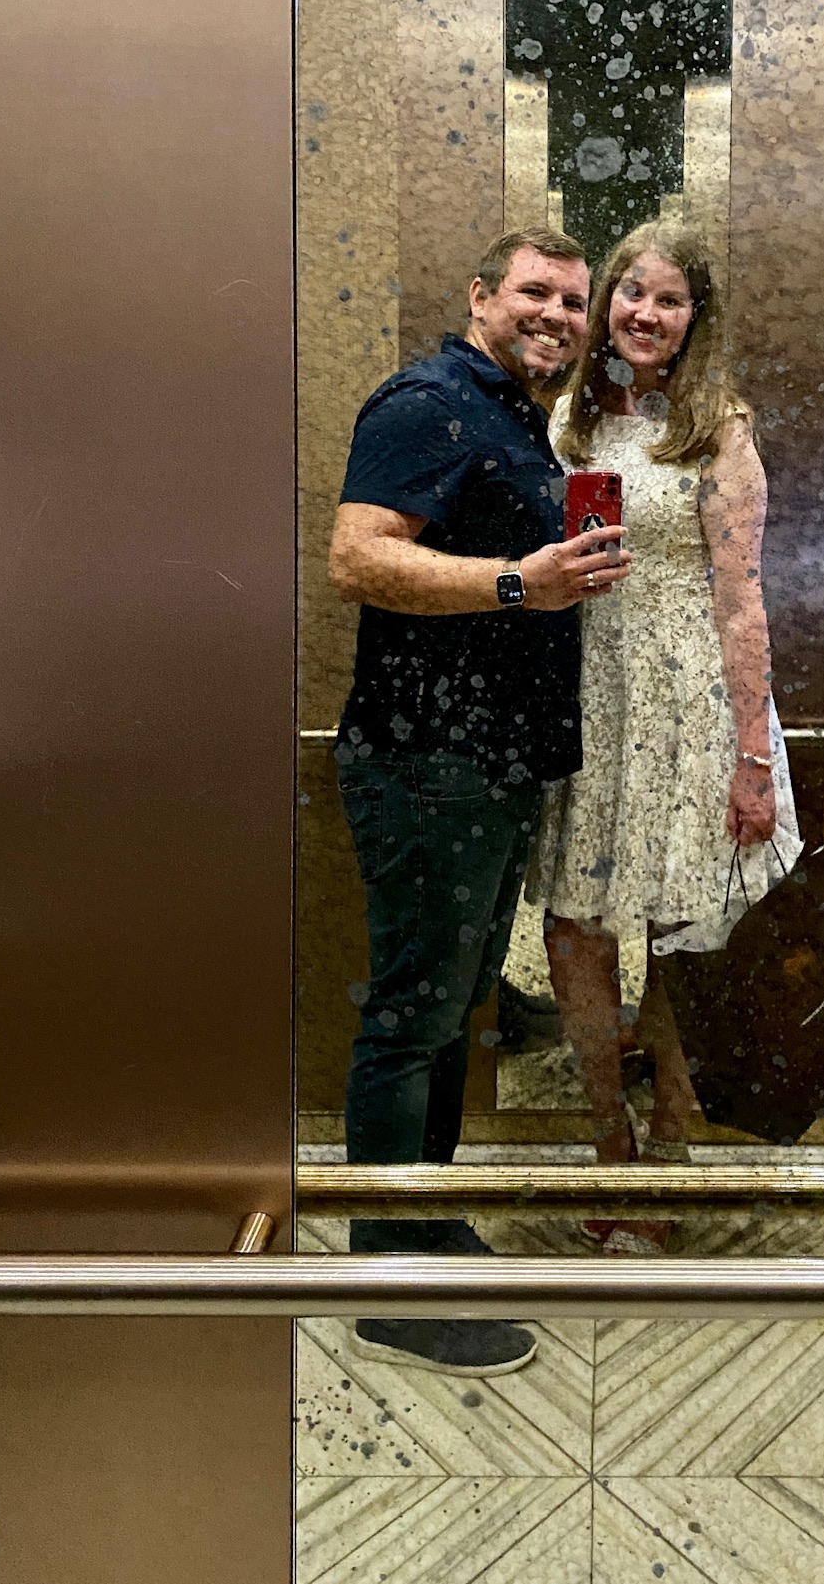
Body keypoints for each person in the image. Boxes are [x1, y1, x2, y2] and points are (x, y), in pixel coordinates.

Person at [327, 226, 631, 1373]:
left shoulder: (509, 413)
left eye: (573, 299)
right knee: (412, 1015)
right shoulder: (424, 400)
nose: (558, 313)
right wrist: (520, 582)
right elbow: (357, 558)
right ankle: (389, 1281)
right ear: (480, 296)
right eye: (536, 293)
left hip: (487, 762)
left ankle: (424, 1221)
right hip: (425, 761)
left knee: (450, 1007)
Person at [523, 220, 803, 1251]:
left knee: (682, 932)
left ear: (695, 320)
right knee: (574, 926)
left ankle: (676, 1144)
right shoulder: (563, 419)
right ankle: (608, 1139)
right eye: (630, 293)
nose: (644, 314)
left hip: (690, 700)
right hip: (585, 692)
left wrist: (750, 755)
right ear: (605, 304)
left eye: (669, 299)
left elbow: (741, 599)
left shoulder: (716, 427)